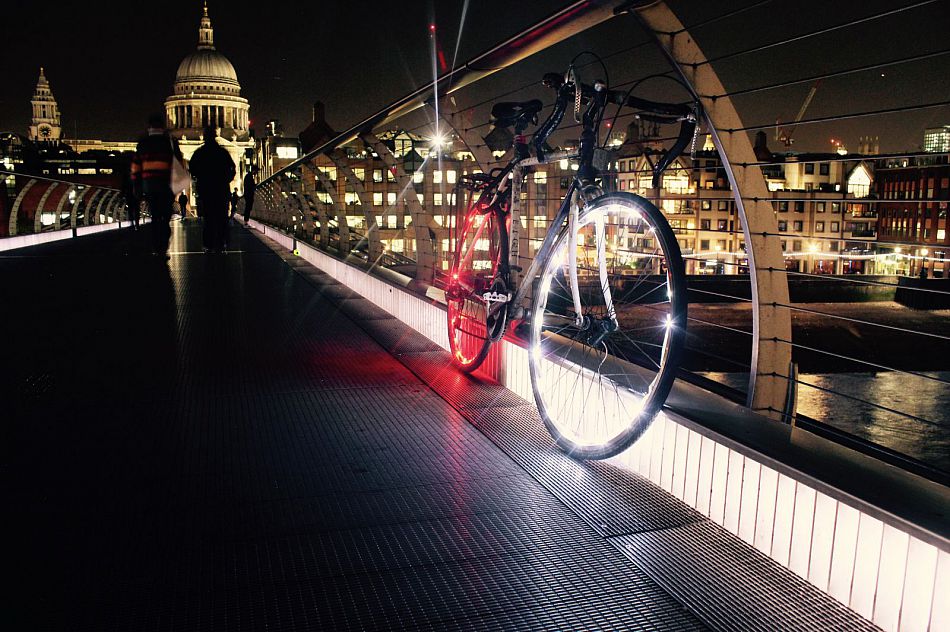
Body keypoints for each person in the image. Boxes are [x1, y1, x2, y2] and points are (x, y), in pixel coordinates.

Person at [130, 113, 180, 257]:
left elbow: (136, 167)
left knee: (155, 216)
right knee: (165, 218)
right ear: (163, 127)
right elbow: (178, 163)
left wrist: (136, 185)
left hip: (150, 186)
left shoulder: (143, 143)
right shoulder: (170, 142)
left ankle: (156, 246)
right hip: (167, 185)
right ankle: (163, 247)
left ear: (149, 126)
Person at [189, 125, 235, 252]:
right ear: (216, 136)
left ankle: (209, 244)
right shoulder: (223, 152)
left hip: (206, 189)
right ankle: (221, 243)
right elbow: (233, 168)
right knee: (222, 217)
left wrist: (199, 178)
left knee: (208, 218)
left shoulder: (199, 152)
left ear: (204, 137)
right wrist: (227, 180)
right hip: (221, 188)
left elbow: (192, 169)